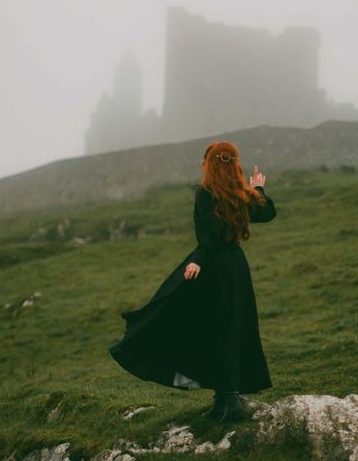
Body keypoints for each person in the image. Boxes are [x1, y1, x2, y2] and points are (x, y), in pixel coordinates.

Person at [108, 140, 277, 423]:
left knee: (204, 323)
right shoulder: (242, 194)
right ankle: (225, 399)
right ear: (235, 165)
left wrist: (198, 259)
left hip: (212, 265)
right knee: (230, 327)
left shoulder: (206, 194)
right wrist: (258, 187)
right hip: (236, 266)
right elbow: (267, 212)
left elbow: (211, 234)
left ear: (208, 166)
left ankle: (229, 400)